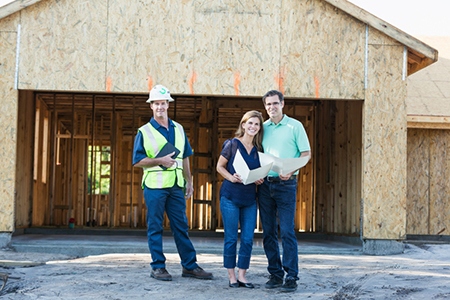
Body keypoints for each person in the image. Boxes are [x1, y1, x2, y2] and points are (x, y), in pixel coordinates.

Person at [133, 84, 213, 281]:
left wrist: (189, 181)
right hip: (154, 187)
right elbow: (137, 161)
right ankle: (158, 267)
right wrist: (159, 160)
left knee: (181, 226)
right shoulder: (144, 132)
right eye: (156, 103)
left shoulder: (178, 128)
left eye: (163, 103)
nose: (160, 107)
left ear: (168, 104)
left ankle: (189, 266)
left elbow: (185, 157)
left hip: (176, 186)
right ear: (151, 106)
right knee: (155, 227)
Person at [258, 90, 311, 292]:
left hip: (286, 185)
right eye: (268, 104)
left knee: (287, 231)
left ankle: (291, 276)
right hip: (264, 185)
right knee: (268, 232)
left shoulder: (295, 126)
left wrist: (292, 169)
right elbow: (257, 155)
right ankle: (275, 274)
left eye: (275, 103)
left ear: (282, 104)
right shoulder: (262, 128)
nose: (271, 107)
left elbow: (306, 153)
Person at [216, 110, 265, 289]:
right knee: (230, 238)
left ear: (259, 129)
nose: (253, 127)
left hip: (250, 199)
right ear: (243, 125)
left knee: (247, 238)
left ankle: (242, 275)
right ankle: (231, 276)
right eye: (250, 123)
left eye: (256, 124)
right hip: (230, 197)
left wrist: (260, 179)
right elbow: (219, 166)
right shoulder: (232, 144)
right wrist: (231, 177)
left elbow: (257, 173)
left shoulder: (258, 151)